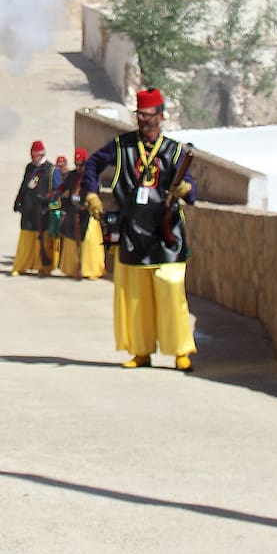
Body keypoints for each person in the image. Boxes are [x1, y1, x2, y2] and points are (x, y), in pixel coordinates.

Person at [82, 88, 196, 371]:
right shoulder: (122, 146)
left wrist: (185, 188)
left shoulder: (173, 150)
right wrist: (91, 193)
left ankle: (181, 351)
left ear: (160, 117)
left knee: (171, 290)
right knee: (135, 298)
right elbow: (93, 164)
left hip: (166, 233)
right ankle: (140, 351)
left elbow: (190, 189)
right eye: (140, 116)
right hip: (132, 231)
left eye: (148, 116)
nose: (144, 121)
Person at [55, 149, 105, 280]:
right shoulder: (73, 175)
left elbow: (94, 194)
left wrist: (84, 205)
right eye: (76, 164)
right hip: (73, 212)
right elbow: (63, 187)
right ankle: (72, 268)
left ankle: (90, 269)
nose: (78, 167)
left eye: (81, 165)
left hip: (87, 213)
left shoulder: (91, 176)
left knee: (89, 241)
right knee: (71, 239)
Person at [11, 141, 55, 277]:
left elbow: (55, 191)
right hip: (28, 209)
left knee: (42, 240)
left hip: (42, 211)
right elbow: (24, 185)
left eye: (35, 155)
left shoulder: (51, 169)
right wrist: (18, 200)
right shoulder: (29, 168)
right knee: (26, 238)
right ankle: (21, 265)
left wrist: (48, 205)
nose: (33, 158)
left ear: (41, 154)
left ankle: (43, 267)